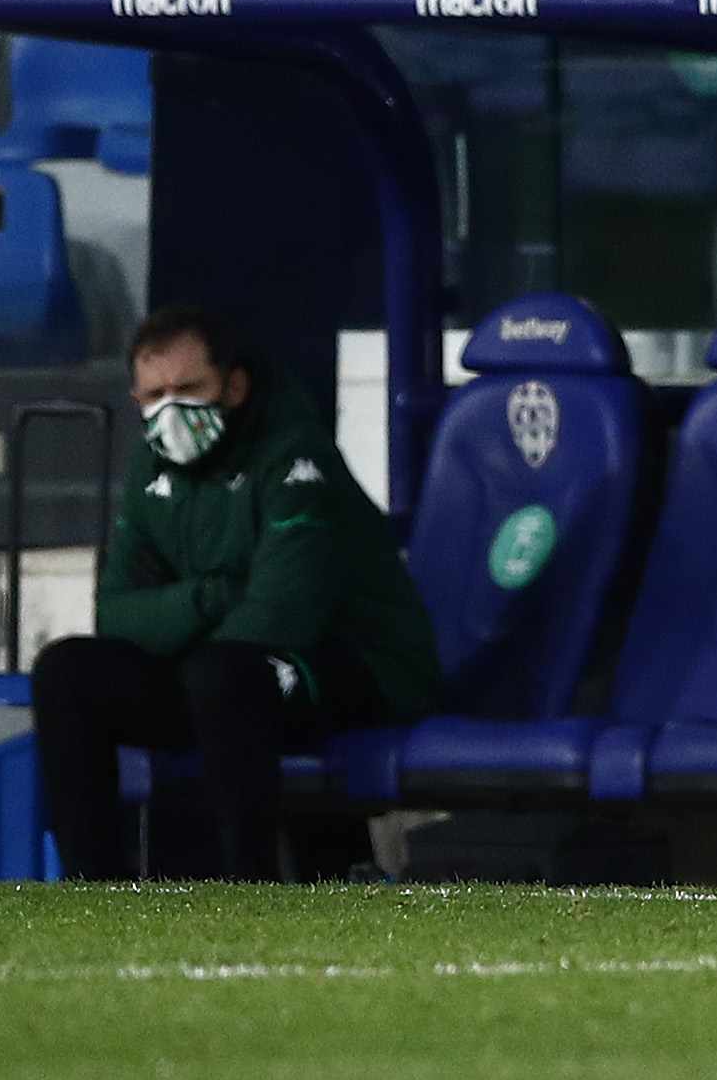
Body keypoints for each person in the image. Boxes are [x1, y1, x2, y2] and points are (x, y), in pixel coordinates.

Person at [34, 307, 444, 882]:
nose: (172, 410)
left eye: (189, 389)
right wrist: (211, 597)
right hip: (222, 677)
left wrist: (186, 629)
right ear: (135, 400)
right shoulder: (151, 468)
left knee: (223, 676)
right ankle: (93, 888)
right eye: (155, 395)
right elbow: (117, 615)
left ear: (235, 385)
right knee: (67, 671)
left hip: (362, 668)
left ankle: (249, 888)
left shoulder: (295, 458)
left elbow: (283, 619)